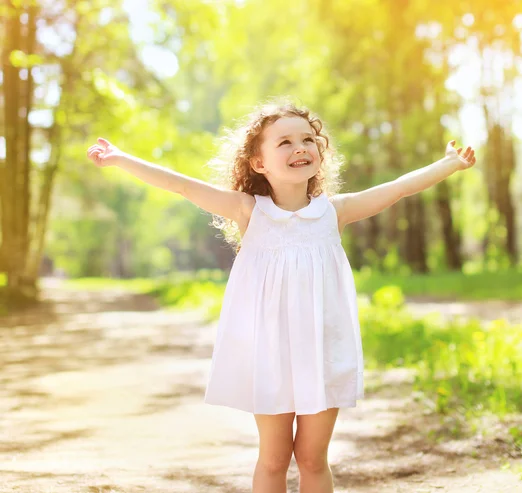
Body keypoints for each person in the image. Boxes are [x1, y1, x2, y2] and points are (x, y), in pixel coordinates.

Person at [86, 100, 476, 493]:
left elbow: (397, 189)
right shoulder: (248, 211)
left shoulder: (334, 212)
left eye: (308, 139)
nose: (300, 148)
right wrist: (121, 159)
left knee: (312, 459)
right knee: (273, 460)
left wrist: (449, 164)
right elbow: (181, 185)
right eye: (285, 142)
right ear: (258, 163)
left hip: (322, 353)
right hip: (268, 354)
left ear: (320, 153)